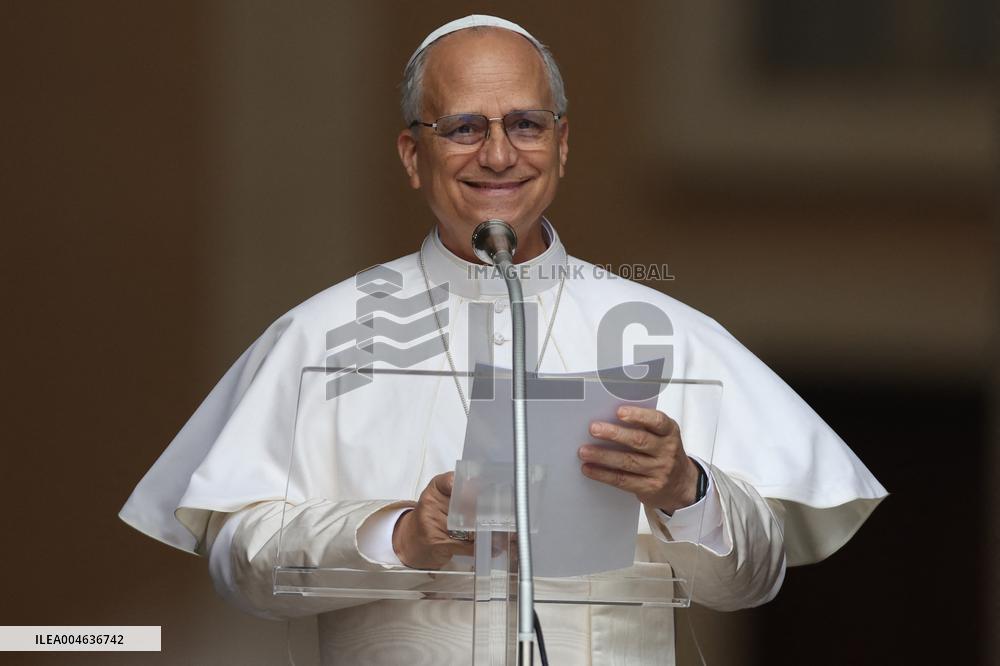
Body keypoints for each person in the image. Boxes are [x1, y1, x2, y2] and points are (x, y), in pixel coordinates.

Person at [120, 15, 887, 664]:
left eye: (524, 123)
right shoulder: (322, 334)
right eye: (462, 128)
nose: (497, 154)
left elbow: (751, 581)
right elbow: (240, 562)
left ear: (561, 144)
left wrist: (686, 490)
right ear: (413, 156)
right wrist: (397, 535)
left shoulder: (671, 333)